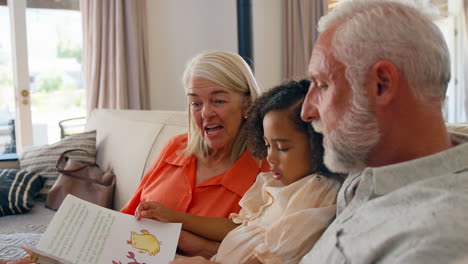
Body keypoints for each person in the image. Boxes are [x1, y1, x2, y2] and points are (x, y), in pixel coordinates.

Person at [0, 50, 269, 264]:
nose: (205, 113)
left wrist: (181, 229)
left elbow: (256, 244)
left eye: (218, 101)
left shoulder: (266, 167)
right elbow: (125, 220)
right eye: (195, 103)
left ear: (247, 103)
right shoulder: (176, 148)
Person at [297, 0, 468, 263]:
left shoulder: (438, 239)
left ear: (381, 84)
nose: (306, 111)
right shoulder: (370, 170)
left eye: (322, 85)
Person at [139, 80, 343, 264]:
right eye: (267, 145)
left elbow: (272, 259)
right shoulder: (273, 183)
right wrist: (186, 231)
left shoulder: (316, 192)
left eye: (282, 148)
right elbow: (239, 225)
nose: (270, 157)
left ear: (320, 142)